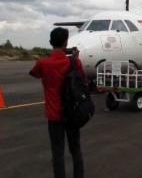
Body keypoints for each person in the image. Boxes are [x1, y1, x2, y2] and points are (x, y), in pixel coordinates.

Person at [29, 27, 85, 178]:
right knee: (76, 150)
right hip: (72, 114)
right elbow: (83, 81)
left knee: (57, 153)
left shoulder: (43, 63)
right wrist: (75, 57)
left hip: (54, 116)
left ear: (50, 42)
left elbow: (34, 73)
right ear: (66, 42)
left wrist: (45, 60)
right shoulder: (74, 62)